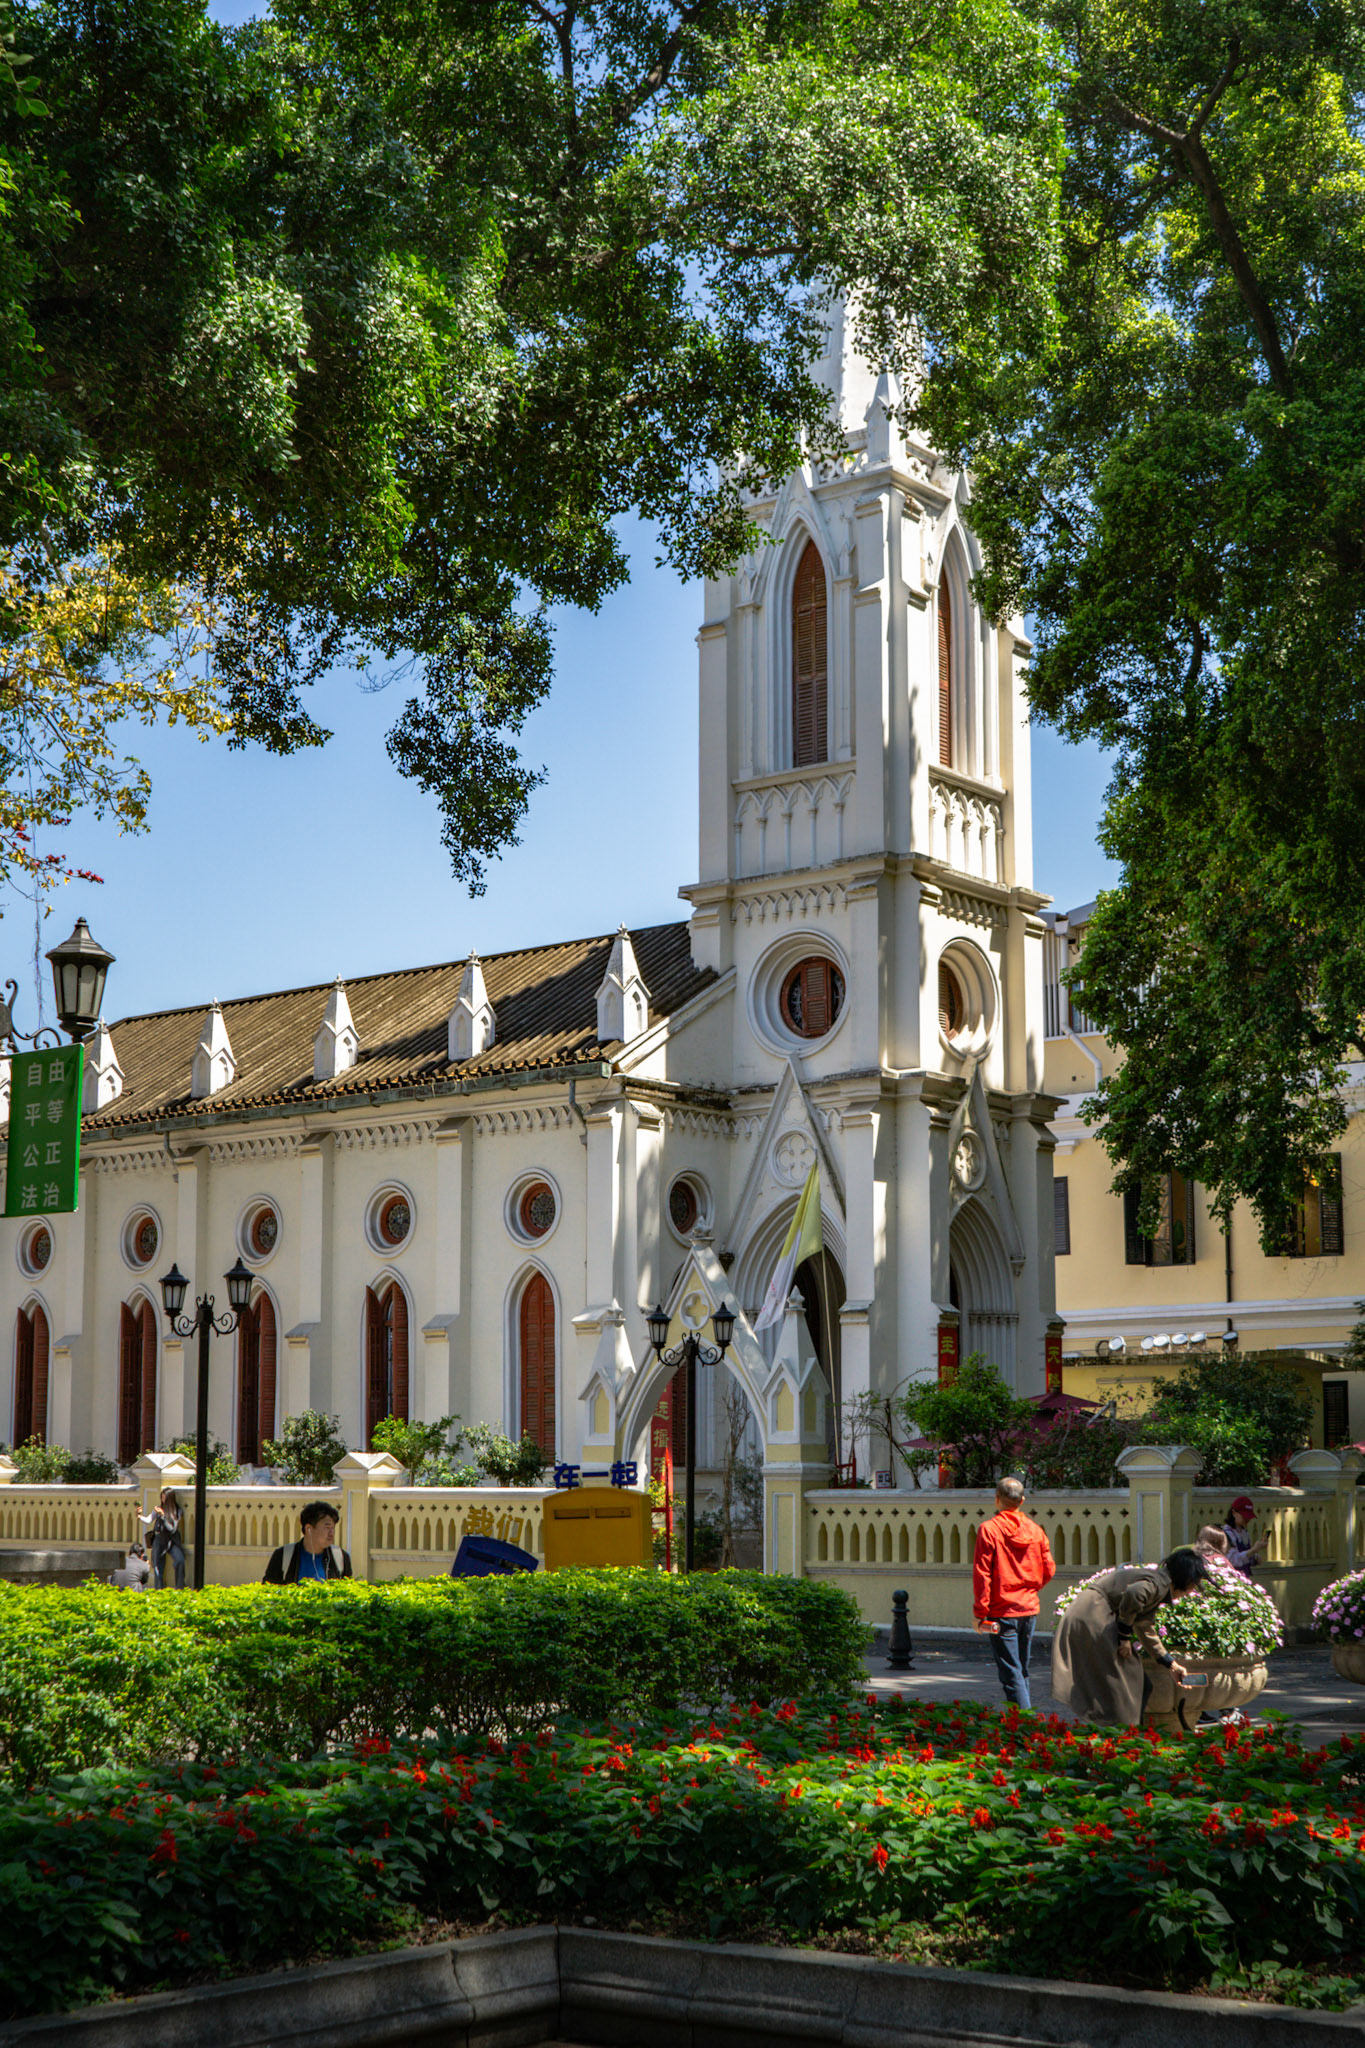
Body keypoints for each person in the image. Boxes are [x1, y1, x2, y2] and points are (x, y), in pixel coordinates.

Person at [1051, 1549, 1209, 1727]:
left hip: (1094, 1614)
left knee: (1139, 1683)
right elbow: (1134, 1594)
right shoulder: (1158, 1583)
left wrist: (1169, 1663)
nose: (1192, 1590)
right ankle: (1118, 1732)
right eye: (1194, 1584)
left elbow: (1145, 1628)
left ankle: (1126, 1732)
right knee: (1124, 1679)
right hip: (1094, 1615)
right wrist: (1124, 1636)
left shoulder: (1159, 1583)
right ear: (1186, 1579)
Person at [971, 1475, 1056, 1709]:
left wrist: (980, 1612)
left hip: (1002, 1611)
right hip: (1028, 1608)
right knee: (1021, 1668)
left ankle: (1023, 1726)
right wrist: (1030, 1588)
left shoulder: (989, 1529)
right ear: (1022, 1500)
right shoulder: (1036, 1530)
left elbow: (982, 1573)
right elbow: (1049, 1568)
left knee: (1011, 1672)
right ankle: (1025, 1722)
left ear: (997, 1500)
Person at [262, 1501, 353, 1583]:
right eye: (327, 1527)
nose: (331, 1533)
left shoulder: (340, 1557)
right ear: (308, 1529)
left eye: (333, 1528)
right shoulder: (283, 1556)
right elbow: (268, 1592)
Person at [141, 1489, 186, 1589]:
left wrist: (163, 1516)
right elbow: (149, 1520)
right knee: (157, 1566)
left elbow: (172, 1529)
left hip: (172, 1541)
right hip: (159, 1539)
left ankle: (180, 1587)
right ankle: (159, 1589)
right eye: (162, 1497)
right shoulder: (159, 1508)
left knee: (180, 1560)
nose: (163, 1499)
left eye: (165, 1497)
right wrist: (139, 1516)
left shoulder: (176, 1510)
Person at [1223, 1496, 1269, 1575]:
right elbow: (1232, 1560)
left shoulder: (1244, 1532)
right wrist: (1254, 1550)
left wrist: (1255, 1557)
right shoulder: (1227, 1533)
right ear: (1234, 1513)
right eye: (1244, 1516)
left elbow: (1245, 1556)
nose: (1247, 1519)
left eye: (1249, 1516)